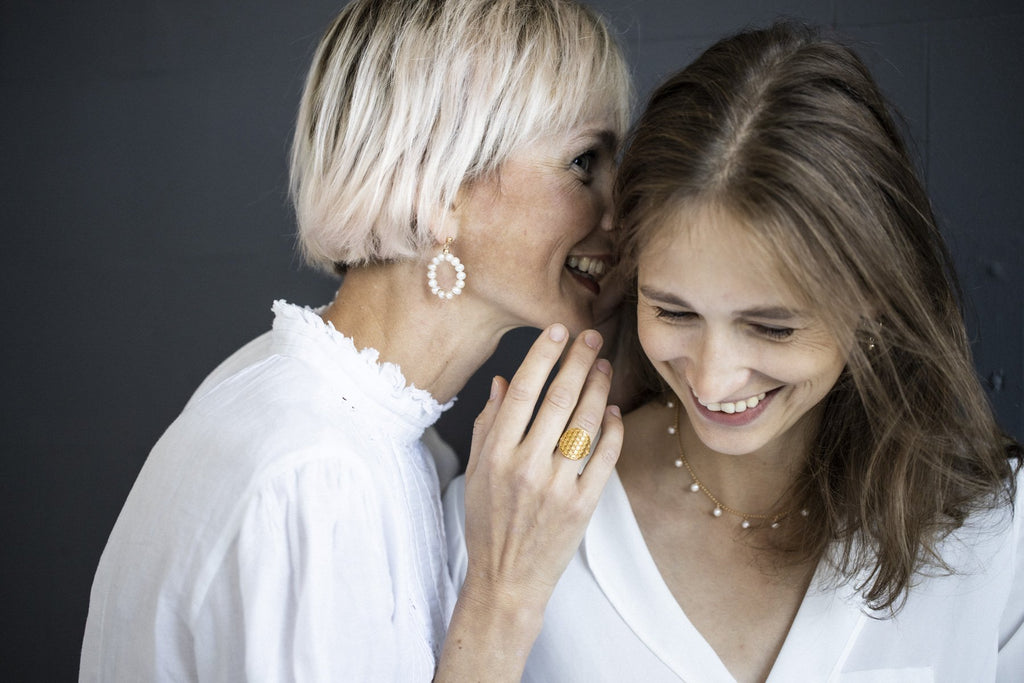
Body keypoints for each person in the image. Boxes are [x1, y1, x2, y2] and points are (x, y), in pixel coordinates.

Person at [446, 21, 1024, 681]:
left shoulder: (997, 531)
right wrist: (498, 597)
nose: (713, 377)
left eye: (772, 327)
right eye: (674, 310)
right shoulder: (510, 515)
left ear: (873, 304)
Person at [80, 0, 631, 680]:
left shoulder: (354, 425)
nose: (620, 212)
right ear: (440, 183)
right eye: (583, 162)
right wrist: (504, 591)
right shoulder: (316, 478)